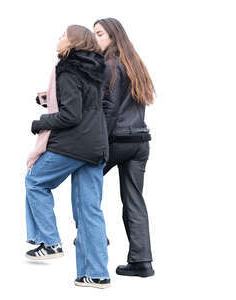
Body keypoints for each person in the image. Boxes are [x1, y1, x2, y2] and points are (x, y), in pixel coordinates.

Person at [25, 25, 110, 288]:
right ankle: (96, 274)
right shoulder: (97, 69)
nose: (58, 38)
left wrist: (39, 123)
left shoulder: (67, 68)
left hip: (74, 145)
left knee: (35, 181)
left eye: (63, 35)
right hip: (97, 145)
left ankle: (50, 242)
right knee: (89, 211)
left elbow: (71, 116)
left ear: (73, 42)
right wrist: (48, 101)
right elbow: (85, 106)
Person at [72, 18, 155, 278]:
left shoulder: (109, 65)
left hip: (116, 139)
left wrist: (98, 145)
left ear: (113, 37)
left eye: (99, 34)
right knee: (134, 200)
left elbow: (107, 109)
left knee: (83, 179)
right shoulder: (136, 64)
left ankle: (94, 237)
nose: (95, 39)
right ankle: (142, 262)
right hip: (140, 142)